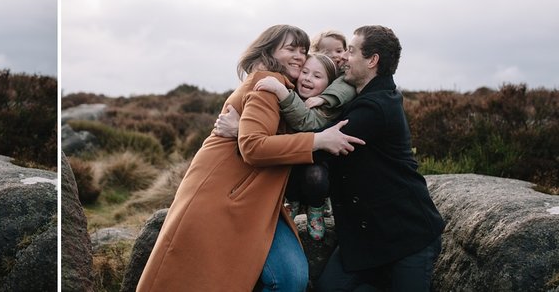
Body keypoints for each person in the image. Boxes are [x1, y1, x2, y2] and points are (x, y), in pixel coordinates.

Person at [136, 24, 364, 292]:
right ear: (268, 51)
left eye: (303, 50)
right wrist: (318, 141)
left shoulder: (289, 92)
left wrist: (240, 127)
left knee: (290, 277)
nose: (299, 56)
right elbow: (254, 147)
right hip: (225, 195)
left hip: (257, 199)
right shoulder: (267, 83)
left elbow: (271, 134)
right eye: (290, 49)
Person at [313, 25, 445, 291]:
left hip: (408, 237)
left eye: (351, 51)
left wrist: (251, 134)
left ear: (372, 60)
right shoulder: (368, 96)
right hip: (365, 239)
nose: (344, 58)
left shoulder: (376, 107)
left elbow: (317, 144)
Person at [248, 53, 343, 240]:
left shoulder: (327, 108)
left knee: (315, 176)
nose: (308, 78)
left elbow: (306, 122)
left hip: (316, 168)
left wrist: (282, 93)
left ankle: (316, 207)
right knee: (282, 169)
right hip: (290, 164)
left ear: (329, 85)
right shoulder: (291, 95)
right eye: (305, 72)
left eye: (317, 76)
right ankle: (292, 202)